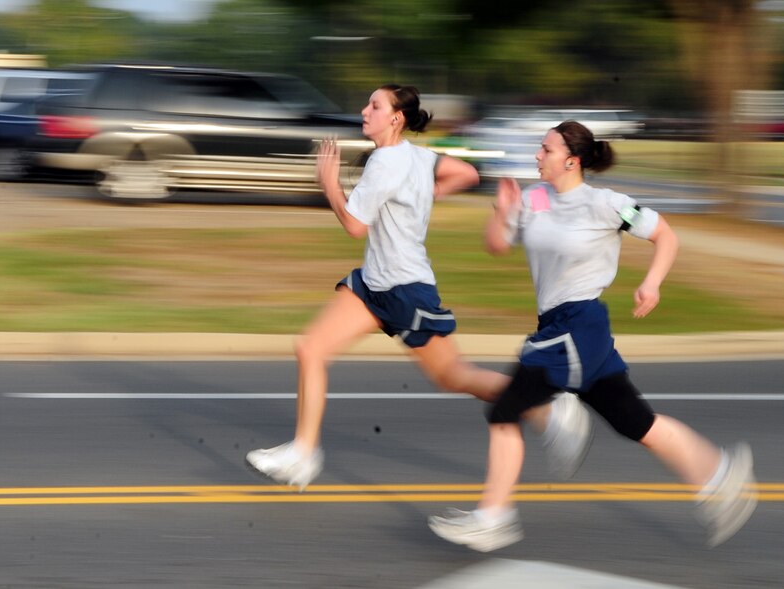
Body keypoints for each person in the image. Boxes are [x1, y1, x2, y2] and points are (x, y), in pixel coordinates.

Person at [428, 120, 758, 551]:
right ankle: (721, 476)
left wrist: (652, 283)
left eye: (545, 150)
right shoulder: (535, 197)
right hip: (557, 326)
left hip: (580, 323)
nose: (536, 156)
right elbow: (497, 245)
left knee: (505, 410)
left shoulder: (606, 203)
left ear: (572, 159)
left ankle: (494, 516)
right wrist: (503, 212)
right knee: (635, 422)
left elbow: (665, 236)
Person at [245, 86, 590, 491]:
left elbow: (356, 226)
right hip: (374, 285)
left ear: (395, 118)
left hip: (405, 290)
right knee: (311, 348)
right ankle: (303, 454)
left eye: (374, 105)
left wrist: (330, 185)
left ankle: (550, 411)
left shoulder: (385, 164)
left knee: (455, 377)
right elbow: (467, 174)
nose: (364, 110)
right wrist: (423, 194)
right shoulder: (417, 155)